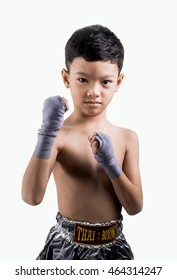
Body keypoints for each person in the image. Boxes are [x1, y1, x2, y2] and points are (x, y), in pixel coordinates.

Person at [21, 24, 143, 260]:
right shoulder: (58, 135)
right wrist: (47, 133)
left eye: (105, 82)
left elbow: (135, 207)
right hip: (66, 249)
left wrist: (112, 167)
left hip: (114, 249)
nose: (93, 91)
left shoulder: (127, 138)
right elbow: (31, 197)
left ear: (118, 82)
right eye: (83, 79)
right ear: (66, 78)